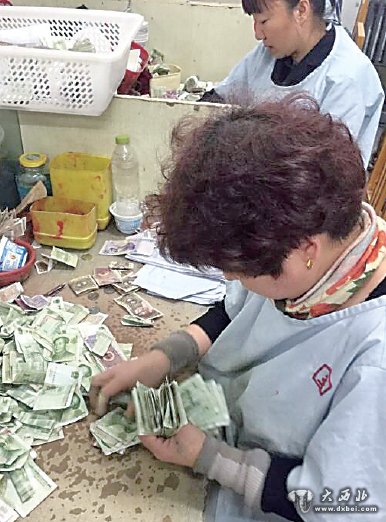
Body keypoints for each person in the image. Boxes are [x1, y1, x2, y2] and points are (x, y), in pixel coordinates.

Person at [90, 94, 386, 522]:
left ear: (305, 250)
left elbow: (346, 503)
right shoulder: (321, 243)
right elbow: (233, 312)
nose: (232, 278)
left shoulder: (374, 358)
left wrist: (212, 459)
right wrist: (164, 358)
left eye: (240, 270)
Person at [200, 0, 384, 168]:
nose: (258, 34)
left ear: (301, 10)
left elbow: (326, 169)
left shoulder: (347, 78)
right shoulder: (271, 53)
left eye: (264, 21)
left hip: (306, 187)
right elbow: (221, 97)